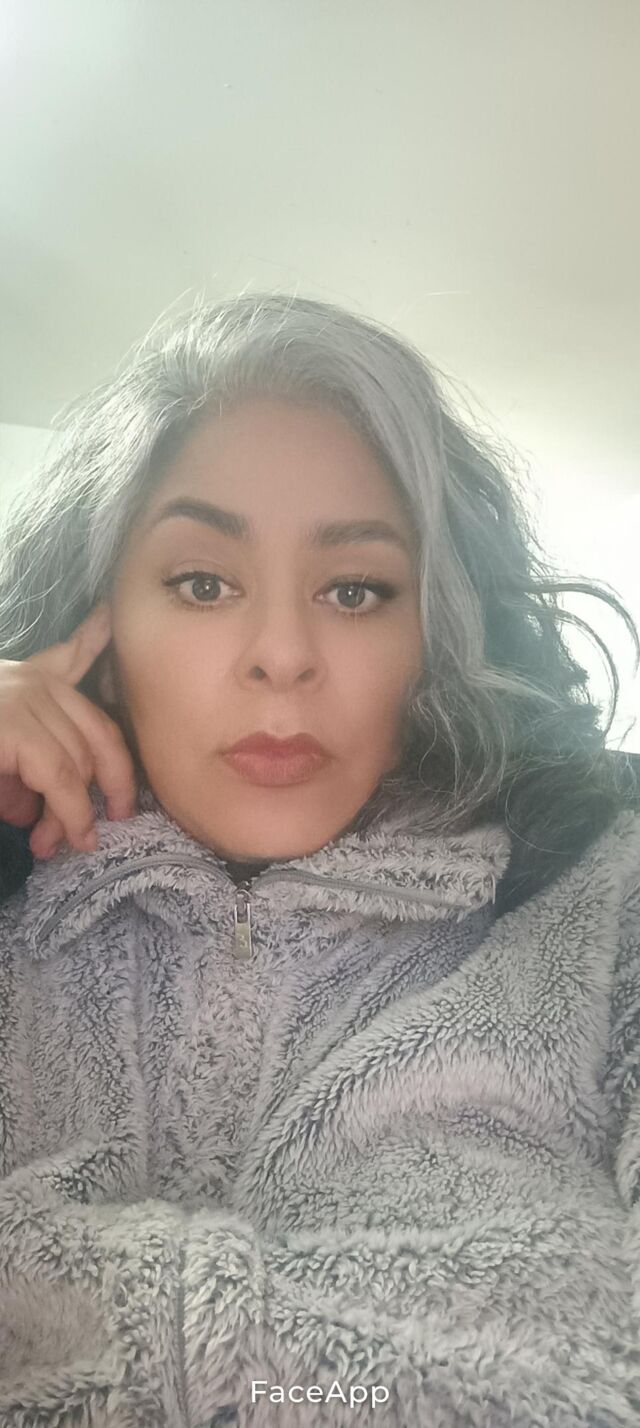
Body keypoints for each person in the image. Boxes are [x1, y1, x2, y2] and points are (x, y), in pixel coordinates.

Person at [0, 291, 639, 1427]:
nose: (284, 656)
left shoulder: (610, 895)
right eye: (203, 583)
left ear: (438, 633)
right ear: (98, 624)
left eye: (355, 591)